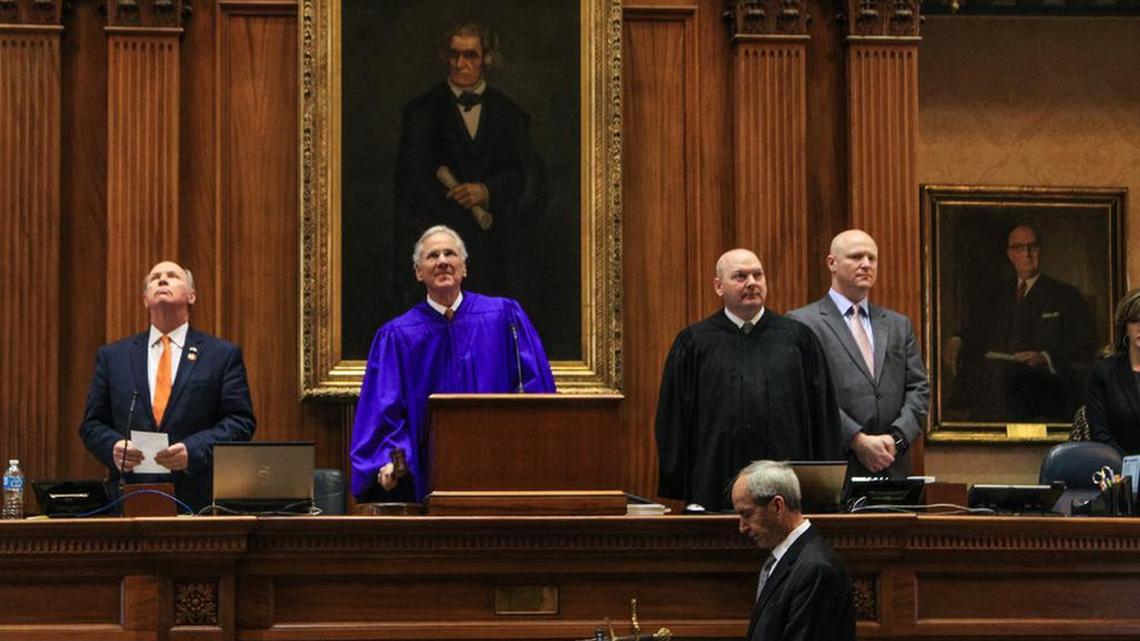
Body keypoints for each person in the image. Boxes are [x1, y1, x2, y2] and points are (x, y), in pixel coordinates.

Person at [351, 225, 556, 503]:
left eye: (450, 253)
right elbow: (385, 410)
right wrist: (392, 460)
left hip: (500, 468)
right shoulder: (397, 336)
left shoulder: (504, 318)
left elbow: (536, 391)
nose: (443, 261)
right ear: (418, 272)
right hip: (430, 477)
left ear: (464, 267)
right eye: (432, 256)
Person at [655, 249, 842, 512]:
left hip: (785, 491)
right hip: (713, 486)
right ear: (719, 286)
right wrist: (681, 483)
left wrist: (826, 485)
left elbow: (823, 413)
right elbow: (673, 419)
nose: (752, 282)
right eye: (740, 276)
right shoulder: (694, 343)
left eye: (758, 275)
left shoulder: (798, 340)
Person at [79, 261, 257, 512]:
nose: (162, 280)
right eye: (155, 278)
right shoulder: (114, 357)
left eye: (172, 276)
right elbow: (92, 424)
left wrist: (192, 451)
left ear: (191, 295)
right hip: (129, 496)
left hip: (198, 499)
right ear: (145, 299)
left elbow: (241, 422)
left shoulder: (220, 355)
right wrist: (113, 447)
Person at [393, 22, 546, 307]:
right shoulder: (419, 113)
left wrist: (487, 191)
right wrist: (450, 201)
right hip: (439, 258)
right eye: (454, 55)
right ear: (445, 57)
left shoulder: (510, 113)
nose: (461, 64)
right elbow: (407, 184)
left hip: (495, 255)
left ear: (486, 59)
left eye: (471, 56)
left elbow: (528, 178)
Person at [788, 229, 929, 479]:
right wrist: (857, 440)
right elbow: (806, 395)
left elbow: (919, 389)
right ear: (832, 263)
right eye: (855, 257)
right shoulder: (803, 324)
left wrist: (896, 441)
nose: (866, 264)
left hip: (892, 464)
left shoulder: (898, 324)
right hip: (836, 464)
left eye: (871, 258)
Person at [944, 224, 1096, 422]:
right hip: (997, 395)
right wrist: (957, 338)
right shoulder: (996, 295)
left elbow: (1085, 347)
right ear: (1010, 255)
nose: (1027, 254)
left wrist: (1045, 358)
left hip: (1043, 393)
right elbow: (978, 331)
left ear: (1040, 250)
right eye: (1019, 248)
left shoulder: (1066, 295)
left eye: (1032, 247)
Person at [731, 460, 855, 641]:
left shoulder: (816, 570)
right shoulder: (789, 559)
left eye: (747, 514)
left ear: (777, 506)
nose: (742, 527)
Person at [1086, 288, 1140, 456]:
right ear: (1125, 328)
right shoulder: (1104, 373)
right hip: (1119, 470)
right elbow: (1101, 435)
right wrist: (1130, 467)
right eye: (1135, 321)